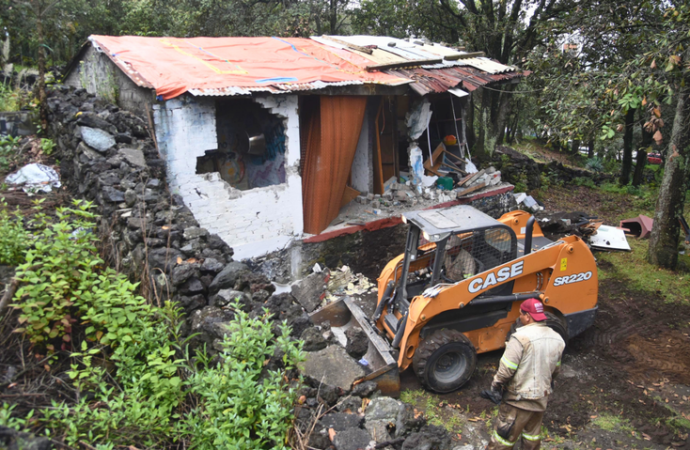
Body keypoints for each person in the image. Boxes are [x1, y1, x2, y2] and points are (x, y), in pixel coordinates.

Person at [483, 298, 565, 450]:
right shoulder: (557, 338)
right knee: (532, 437)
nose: (520, 317)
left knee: (503, 440)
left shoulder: (520, 338)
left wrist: (496, 385)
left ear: (527, 316)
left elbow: (507, 369)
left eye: (521, 314)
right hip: (540, 400)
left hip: (518, 400)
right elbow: (556, 369)